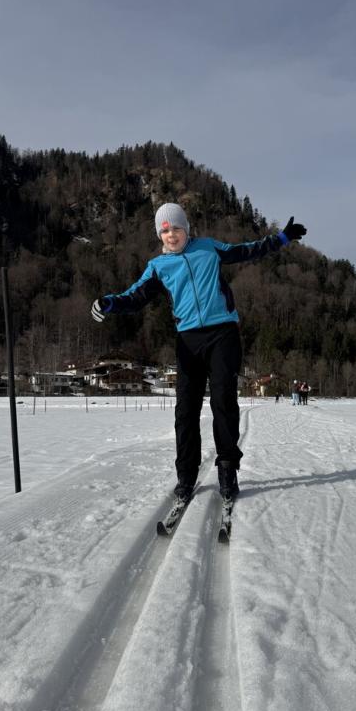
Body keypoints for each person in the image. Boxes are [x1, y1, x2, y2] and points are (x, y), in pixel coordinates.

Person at [91, 202, 307, 502]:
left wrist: (281, 239)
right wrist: (109, 302)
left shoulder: (207, 248)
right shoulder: (158, 267)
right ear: (159, 235)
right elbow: (135, 296)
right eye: (165, 231)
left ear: (186, 229)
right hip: (188, 340)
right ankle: (186, 475)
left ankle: (228, 470)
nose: (171, 235)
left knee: (223, 402)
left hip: (223, 334)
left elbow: (245, 250)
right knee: (185, 411)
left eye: (176, 228)